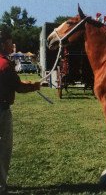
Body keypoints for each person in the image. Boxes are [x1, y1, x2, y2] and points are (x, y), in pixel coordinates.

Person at [0, 27, 40, 194]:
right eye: (10, 42)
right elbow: (18, 87)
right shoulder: (5, 64)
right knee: (3, 149)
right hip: (2, 111)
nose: (12, 45)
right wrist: (34, 86)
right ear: (3, 44)